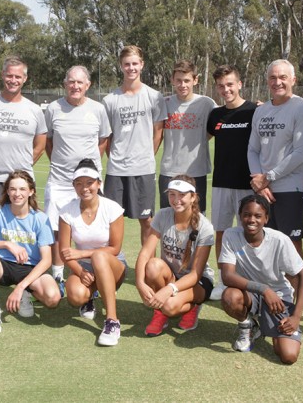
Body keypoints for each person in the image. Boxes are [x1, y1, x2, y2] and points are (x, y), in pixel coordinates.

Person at [0, 56, 47, 305]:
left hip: (23, 184)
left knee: (26, 231)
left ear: (25, 78)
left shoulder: (34, 110)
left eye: (18, 76)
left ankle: (27, 279)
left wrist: (20, 176)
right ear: (3, 76)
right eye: (9, 75)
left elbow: (40, 145)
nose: (13, 80)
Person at [219, 195, 303, 365]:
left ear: (266, 218)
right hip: (252, 294)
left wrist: (296, 316)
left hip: (278, 299)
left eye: (258, 216)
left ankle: (266, 326)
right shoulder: (231, 235)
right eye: (247, 214)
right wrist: (263, 289)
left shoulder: (280, 240)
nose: (251, 219)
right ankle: (248, 326)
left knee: (288, 356)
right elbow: (227, 276)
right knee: (230, 296)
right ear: (240, 216)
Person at [44, 65, 111, 287]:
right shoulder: (53, 109)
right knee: (55, 231)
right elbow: (48, 141)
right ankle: (57, 274)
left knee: (94, 230)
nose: (75, 86)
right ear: (65, 84)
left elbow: (103, 140)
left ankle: (92, 274)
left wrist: (89, 168)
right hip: (60, 181)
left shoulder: (98, 109)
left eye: (79, 82)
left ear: (87, 85)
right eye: (71, 82)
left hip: (89, 184)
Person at [0, 171, 60, 335]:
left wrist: (21, 287)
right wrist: (6, 244)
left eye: (22, 189)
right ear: (7, 191)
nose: (17, 194)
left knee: (53, 298)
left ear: (31, 191)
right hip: (2, 266)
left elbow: (47, 260)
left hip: (30, 268)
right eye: (12, 189)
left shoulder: (40, 218)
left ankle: (26, 294)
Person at [247, 59, 303, 258]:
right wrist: (259, 181)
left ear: (293, 79)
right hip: (263, 190)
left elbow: (300, 153)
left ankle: (296, 290)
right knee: (265, 244)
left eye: (283, 77)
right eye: (273, 78)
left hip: (290, 189)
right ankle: (270, 290)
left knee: (291, 246)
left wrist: (268, 177)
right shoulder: (261, 111)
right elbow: (252, 149)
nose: (278, 82)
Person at [135, 175, 214, 336]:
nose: (176, 199)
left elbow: (195, 274)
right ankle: (159, 313)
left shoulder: (205, 227)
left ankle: (193, 305)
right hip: (172, 275)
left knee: (169, 306)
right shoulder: (163, 215)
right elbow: (145, 252)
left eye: (182, 194)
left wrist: (169, 290)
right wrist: (139, 282)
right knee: (152, 265)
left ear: (193, 197)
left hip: (197, 282)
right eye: (172, 194)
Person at [59, 159, 127, 346]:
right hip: (85, 268)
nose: (84, 188)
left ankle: (112, 321)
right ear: (74, 186)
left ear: (99, 184)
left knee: (98, 255)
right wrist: (80, 272)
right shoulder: (67, 211)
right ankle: (89, 297)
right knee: (75, 296)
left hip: (113, 266)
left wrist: (81, 254)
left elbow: (115, 248)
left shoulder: (112, 208)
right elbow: (65, 252)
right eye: (79, 184)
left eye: (89, 183)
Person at [103, 45, 166, 246]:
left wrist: (147, 154)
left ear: (142, 65)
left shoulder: (154, 96)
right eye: (127, 64)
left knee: (147, 221)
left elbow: (158, 131)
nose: (131, 68)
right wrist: (116, 157)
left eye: (135, 64)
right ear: (121, 66)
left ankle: (146, 267)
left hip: (143, 168)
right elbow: (107, 136)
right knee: (112, 219)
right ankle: (113, 265)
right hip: (116, 170)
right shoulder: (110, 100)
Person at [206, 65, 257, 300]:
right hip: (221, 183)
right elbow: (200, 138)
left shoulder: (254, 111)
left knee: (249, 232)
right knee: (222, 233)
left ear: (239, 84)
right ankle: (223, 279)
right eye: (221, 86)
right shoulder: (216, 115)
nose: (225, 89)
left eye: (230, 84)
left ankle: (249, 279)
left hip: (248, 185)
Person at [159, 61, 216, 213]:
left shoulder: (206, 103)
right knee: (167, 218)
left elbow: (221, 122)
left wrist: (202, 138)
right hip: (169, 171)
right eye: (178, 80)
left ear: (195, 80)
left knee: (197, 218)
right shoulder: (165, 103)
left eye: (187, 80)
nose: (182, 85)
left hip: (196, 171)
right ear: (172, 80)